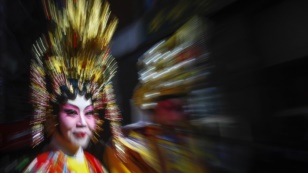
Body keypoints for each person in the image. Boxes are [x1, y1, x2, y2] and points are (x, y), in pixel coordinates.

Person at [23, 0, 122, 172]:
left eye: (89, 113)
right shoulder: (42, 168)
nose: (82, 122)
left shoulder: (95, 165)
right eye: (71, 112)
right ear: (53, 116)